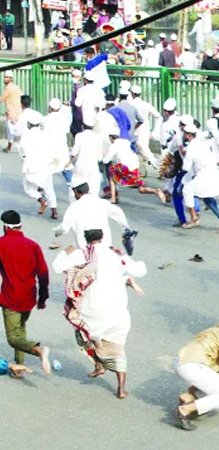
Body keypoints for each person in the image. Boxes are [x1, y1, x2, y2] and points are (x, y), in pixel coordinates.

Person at [52, 228, 146, 398]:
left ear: (86, 239)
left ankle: (98, 365)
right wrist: (130, 279)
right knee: (117, 348)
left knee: (84, 337)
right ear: (102, 238)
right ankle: (121, 388)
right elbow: (136, 271)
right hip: (116, 309)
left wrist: (64, 252)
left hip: (91, 310)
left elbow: (57, 267)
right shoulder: (114, 254)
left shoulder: (81, 254)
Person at [0, 210, 51, 376]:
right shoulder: (33, 245)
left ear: (6, 228)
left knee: (13, 338)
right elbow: (43, 274)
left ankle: (38, 350)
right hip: (29, 297)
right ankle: (19, 367)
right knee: (21, 329)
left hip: (10, 297)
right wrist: (42, 298)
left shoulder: (1, 244)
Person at [19, 111, 58, 219]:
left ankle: (41, 200)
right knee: (49, 188)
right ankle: (54, 211)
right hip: (45, 165)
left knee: (28, 188)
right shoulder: (45, 135)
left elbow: (22, 152)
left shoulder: (26, 136)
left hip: (31, 166)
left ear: (29, 124)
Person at [1, 70, 22, 153]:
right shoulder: (16, 87)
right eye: (5, 77)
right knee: (14, 131)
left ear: (11, 79)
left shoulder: (8, 89)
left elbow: (1, 99)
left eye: (7, 77)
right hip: (19, 112)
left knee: (10, 132)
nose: (5, 79)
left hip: (12, 113)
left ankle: (9, 148)